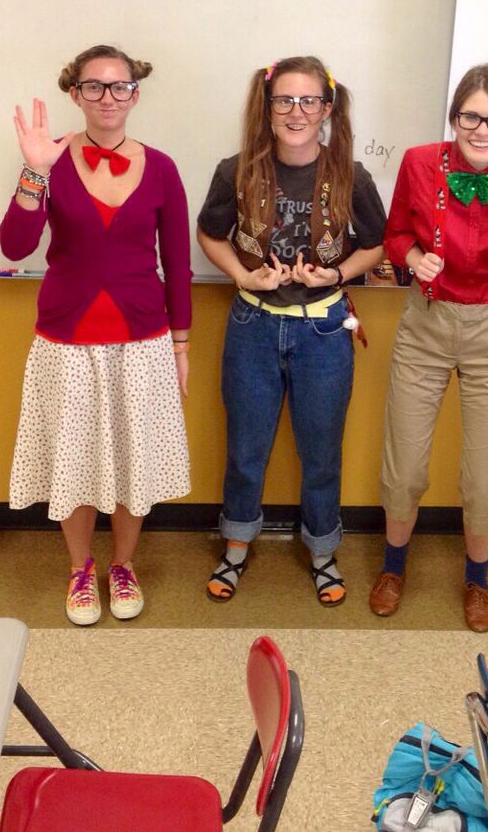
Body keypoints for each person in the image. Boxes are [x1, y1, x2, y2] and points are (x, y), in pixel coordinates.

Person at [0, 44, 192, 626]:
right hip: (66, 339)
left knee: (134, 458)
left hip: (142, 337)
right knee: (75, 457)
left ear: (136, 92)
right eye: (94, 86)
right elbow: (14, 246)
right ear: (74, 92)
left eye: (120, 86)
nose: (108, 97)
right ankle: (80, 568)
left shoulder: (161, 167)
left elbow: (177, 265)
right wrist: (34, 170)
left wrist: (181, 345)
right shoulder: (49, 159)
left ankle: (123, 564)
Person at [197, 56, 386, 606]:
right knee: (245, 448)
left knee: (321, 450)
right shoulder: (237, 170)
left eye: (308, 101)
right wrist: (240, 274)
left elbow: (376, 243)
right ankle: (234, 550)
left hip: (323, 330)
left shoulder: (351, 174)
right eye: (284, 100)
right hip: (253, 325)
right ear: (268, 107)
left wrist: (337, 272)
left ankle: (323, 553)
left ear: (326, 109)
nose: (296, 111)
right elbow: (210, 233)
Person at [369, 63, 488, 631]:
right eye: (471, 115)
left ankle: (477, 579)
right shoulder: (421, 162)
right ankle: (393, 567)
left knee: (483, 474)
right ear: (454, 117)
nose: (482, 129)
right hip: (426, 323)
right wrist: (410, 257)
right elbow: (395, 233)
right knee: (404, 465)